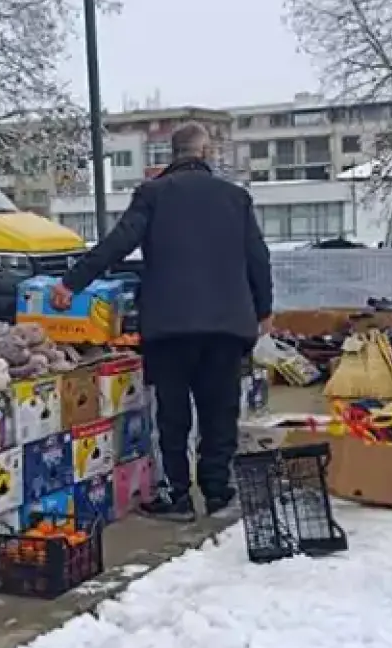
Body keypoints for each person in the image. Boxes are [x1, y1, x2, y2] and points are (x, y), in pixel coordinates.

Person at [52, 123, 272, 521]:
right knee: (219, 411)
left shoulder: (153, 194)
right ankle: (218, 491)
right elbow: (258, 258)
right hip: (226, 325)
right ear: (205, 153)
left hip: (170, 326)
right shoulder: (235, 198)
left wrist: (72, 282)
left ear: (172, 156)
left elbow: (119, 242)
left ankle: (179, 496)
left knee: (172, 414)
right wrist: (264, 309)